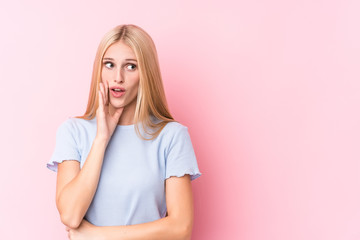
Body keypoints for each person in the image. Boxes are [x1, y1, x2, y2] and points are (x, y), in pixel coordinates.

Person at [46, 24, 202, 239]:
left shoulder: (172, 136)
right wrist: (101, 138)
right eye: (109, 64)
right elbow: (71, 216)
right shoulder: (73, 131)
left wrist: (95, 235)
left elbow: (180, 229)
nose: (117, 77)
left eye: (131, 67)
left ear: (146, 73)